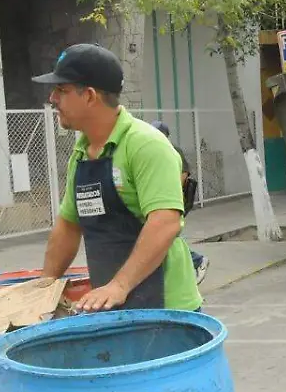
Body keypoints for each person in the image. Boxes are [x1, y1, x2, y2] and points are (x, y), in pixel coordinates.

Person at [33, 43, 202, 313]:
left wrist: (119, 285)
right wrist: (44, 286)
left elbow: (165, 222)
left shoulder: (145, 145)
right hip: (115, 304)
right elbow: (68, 226)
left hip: (166, 308)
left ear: (89, 96)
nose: (53, 98)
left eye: (61, 90)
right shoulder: (81, 153)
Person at [150, 119, 209, 285]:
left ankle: (197, 261)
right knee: (166, 236)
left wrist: (169, 192)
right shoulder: (155, 150)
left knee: (168, 236)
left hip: (173, 200)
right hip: (162, 200)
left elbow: (183, 174)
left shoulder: (173, 151)